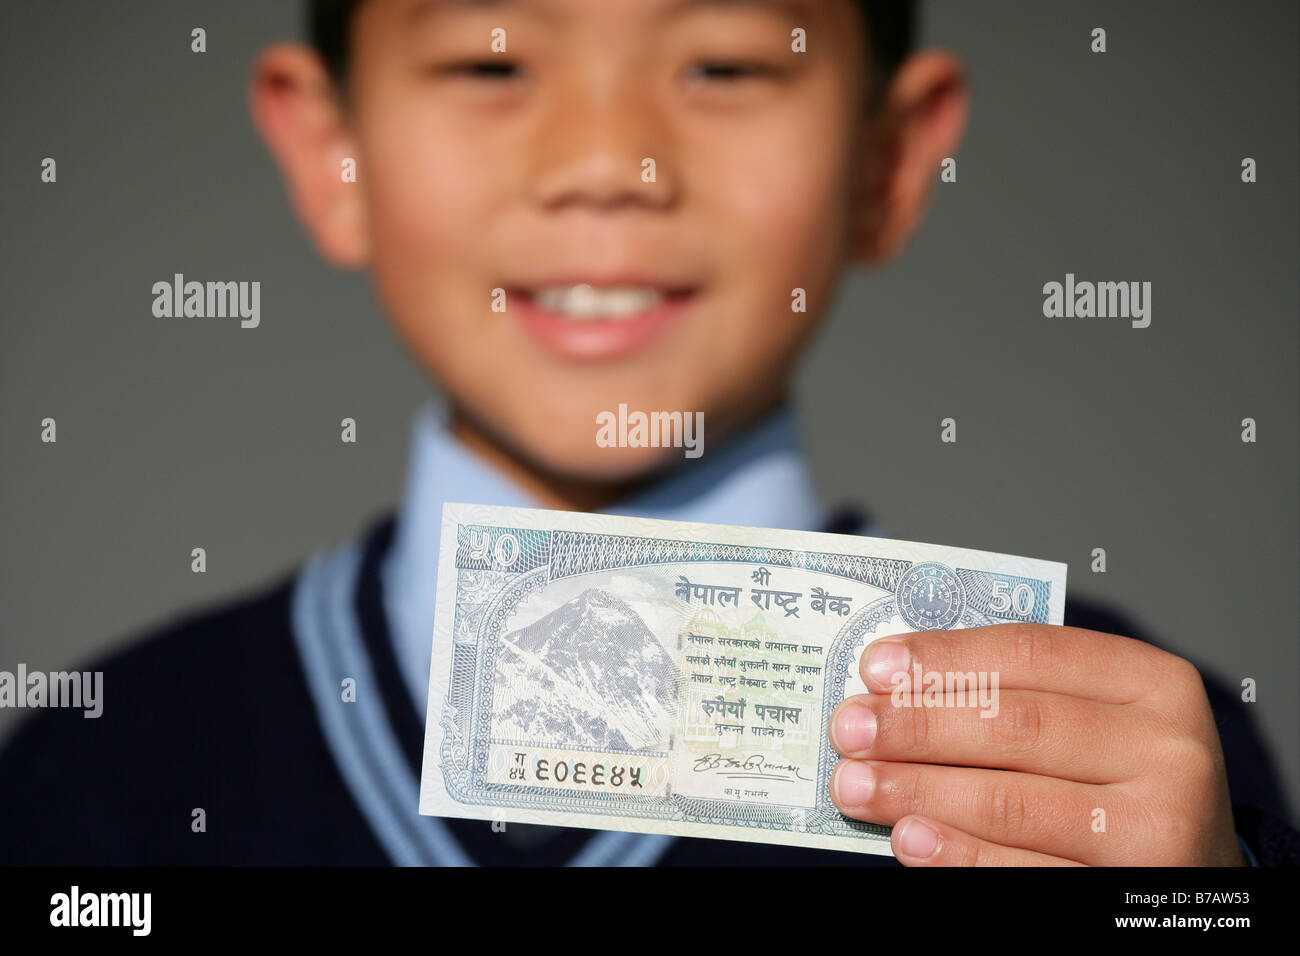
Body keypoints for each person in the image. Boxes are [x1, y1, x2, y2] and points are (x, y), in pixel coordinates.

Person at [1, 0, 1295, 866]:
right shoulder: (98, 772)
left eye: (723, 66)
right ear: (330, 147)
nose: (612, 160)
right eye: (492, 63)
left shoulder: (1129, 770)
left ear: (888, 159)